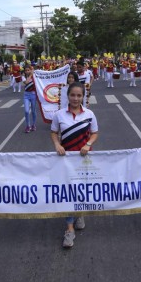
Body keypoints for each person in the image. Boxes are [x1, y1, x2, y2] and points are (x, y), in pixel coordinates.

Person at [51, 82, 99, 248]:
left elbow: (94, 133)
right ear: (68, 96)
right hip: (66, 160)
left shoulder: (90, 114)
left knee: (81, 190)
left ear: (83, 97)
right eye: (73, 95)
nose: (76, 98)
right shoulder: (59, 115)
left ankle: (79, 213)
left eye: (79, 96)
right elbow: (53, 132)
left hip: (85, 160)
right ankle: (69, 229)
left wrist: (88, 144)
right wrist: (57, 145)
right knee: (69, 192)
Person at [22, 65, 37, 133]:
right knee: (26, 111)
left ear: (30, 70)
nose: (27, 71)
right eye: (26, 70)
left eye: (28, 70)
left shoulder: (35, 76)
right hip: (26, 95)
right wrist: (31, 75)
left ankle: (33, 124)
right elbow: (26, 82)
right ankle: (28, 125)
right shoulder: (23, 77)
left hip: (33, 94)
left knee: (33, 111)